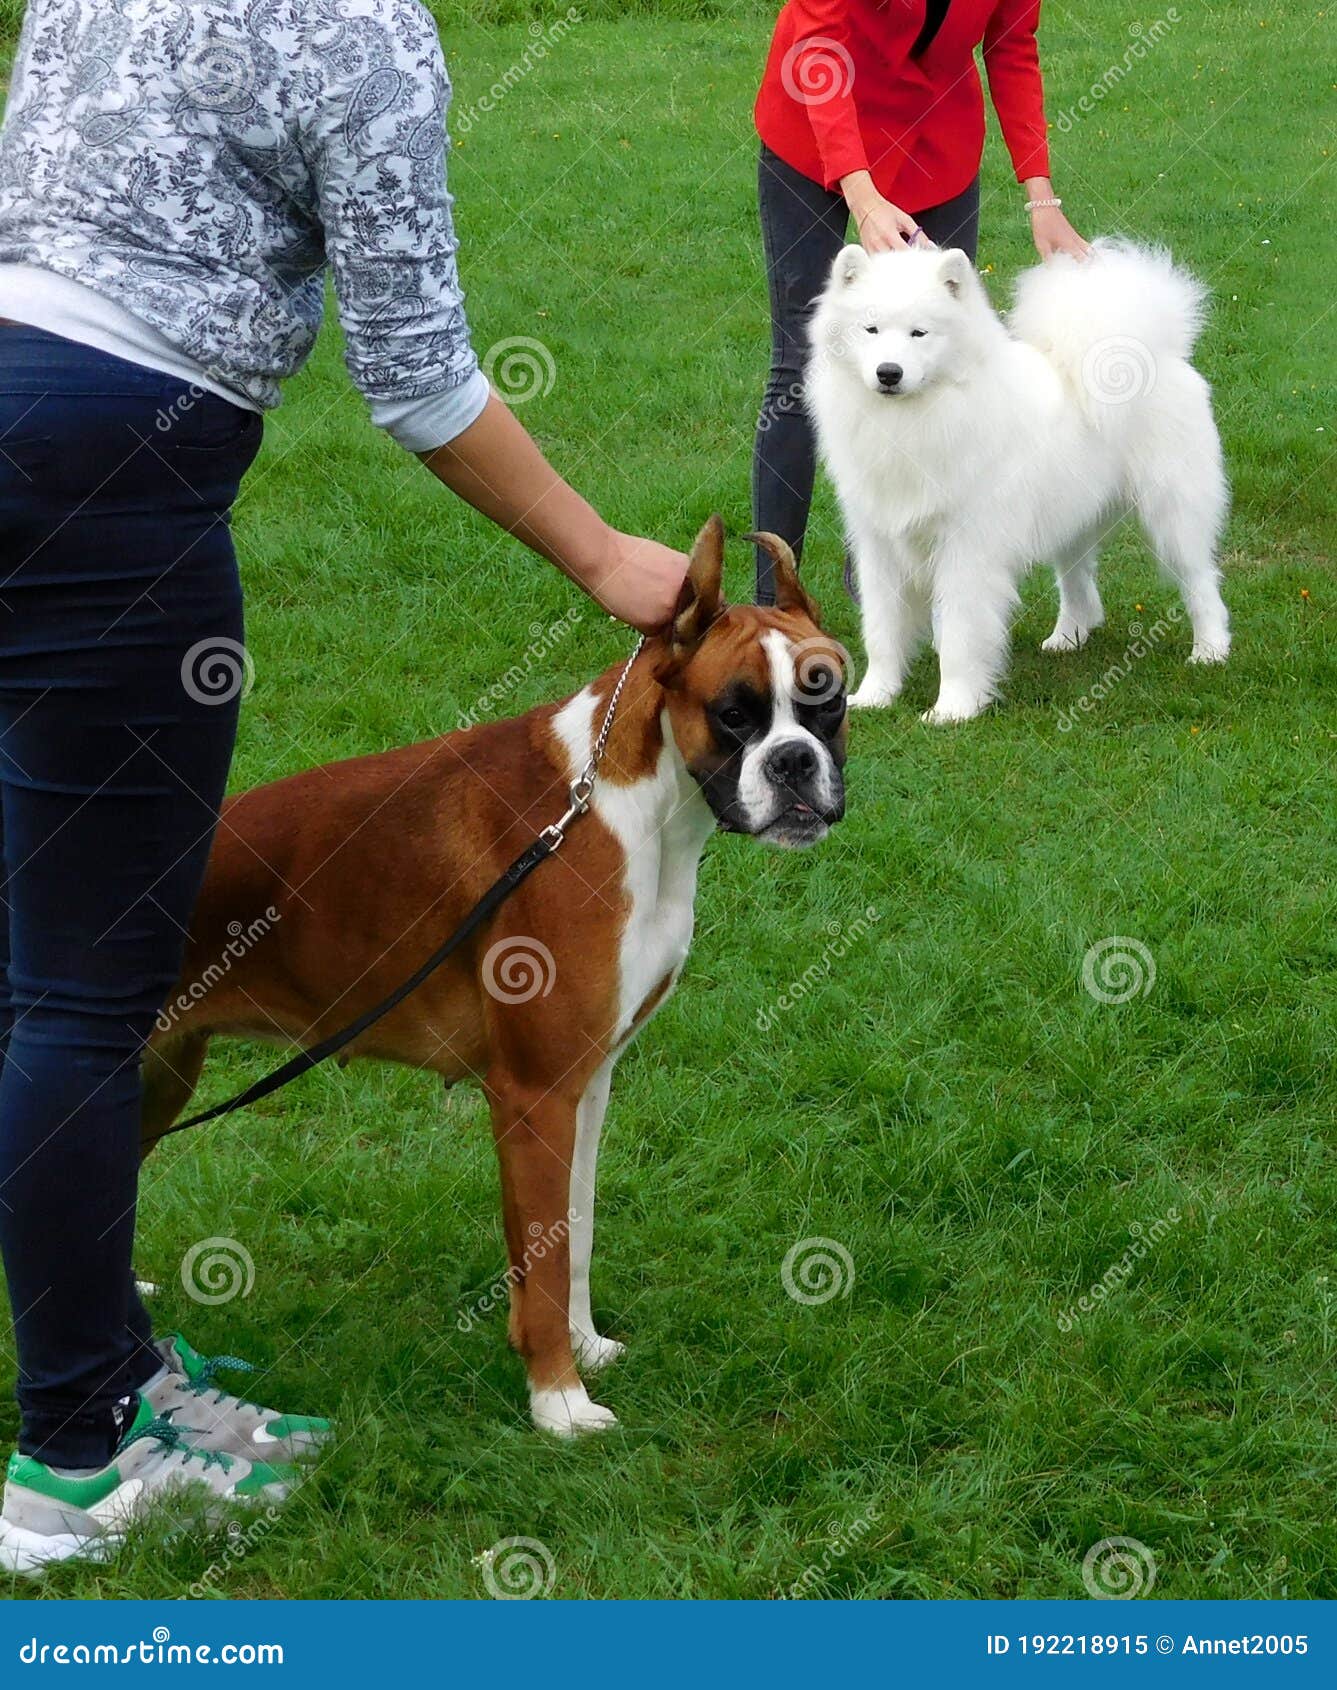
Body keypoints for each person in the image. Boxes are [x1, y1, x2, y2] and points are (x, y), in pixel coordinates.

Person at [0, 0, 687, 1573]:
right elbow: (418, 372)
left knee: (44, 968)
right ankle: (73, 1460)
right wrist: (600, 554)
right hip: (120, 470)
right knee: (90, 1000)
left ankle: (110, 1370)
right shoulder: (366, 29)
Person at [751, 0, 1089, 602]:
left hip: (935, 146)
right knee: (800, 370)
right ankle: (773, 608)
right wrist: (862, 195)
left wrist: (1042, 198)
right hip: (815, 129)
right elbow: (820, 42)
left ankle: (887, 595)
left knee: (937, 368)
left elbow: (1010, 47)